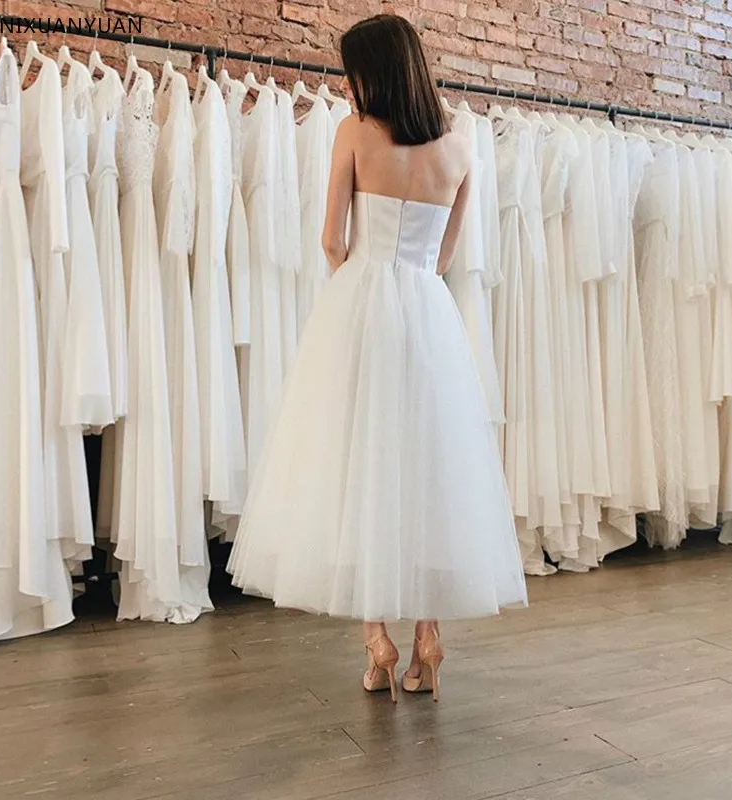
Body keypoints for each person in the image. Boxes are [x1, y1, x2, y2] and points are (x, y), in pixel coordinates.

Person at [228, 14, 527, 702]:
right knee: (427, 469)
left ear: (374, 72)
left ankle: (378, 641)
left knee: (361, 463)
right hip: (427, 310)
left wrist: (357, 277)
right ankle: (427, 636)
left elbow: (332, 239)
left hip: (362, 301)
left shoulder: (355, 133)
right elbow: (447, 257)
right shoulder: (458, 148)